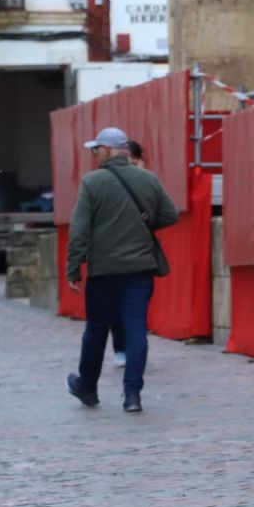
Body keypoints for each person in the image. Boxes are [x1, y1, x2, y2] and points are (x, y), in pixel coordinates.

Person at [66, 127, 176, 413]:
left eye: (96, 149)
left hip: (104, 270)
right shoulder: (148, 179)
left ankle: (87, 387)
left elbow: (79, 231)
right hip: (140, 268)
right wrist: (140, 227)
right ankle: (132, 395)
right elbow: (169, 214)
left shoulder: (92, 183)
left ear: (107, 150)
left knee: (96, 330)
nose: (94, 154)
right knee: (136, 328)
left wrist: (73, 267)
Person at [109, 140, 146, 372]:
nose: (130, 161)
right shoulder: (107, 180)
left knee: (137, 306)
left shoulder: (146, 181)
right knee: (116, 305)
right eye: (127, 156)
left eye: (134, 157)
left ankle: (135, 348)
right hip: (113, 253)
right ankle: (121, 348)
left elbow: (164, 213)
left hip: (139, 253)